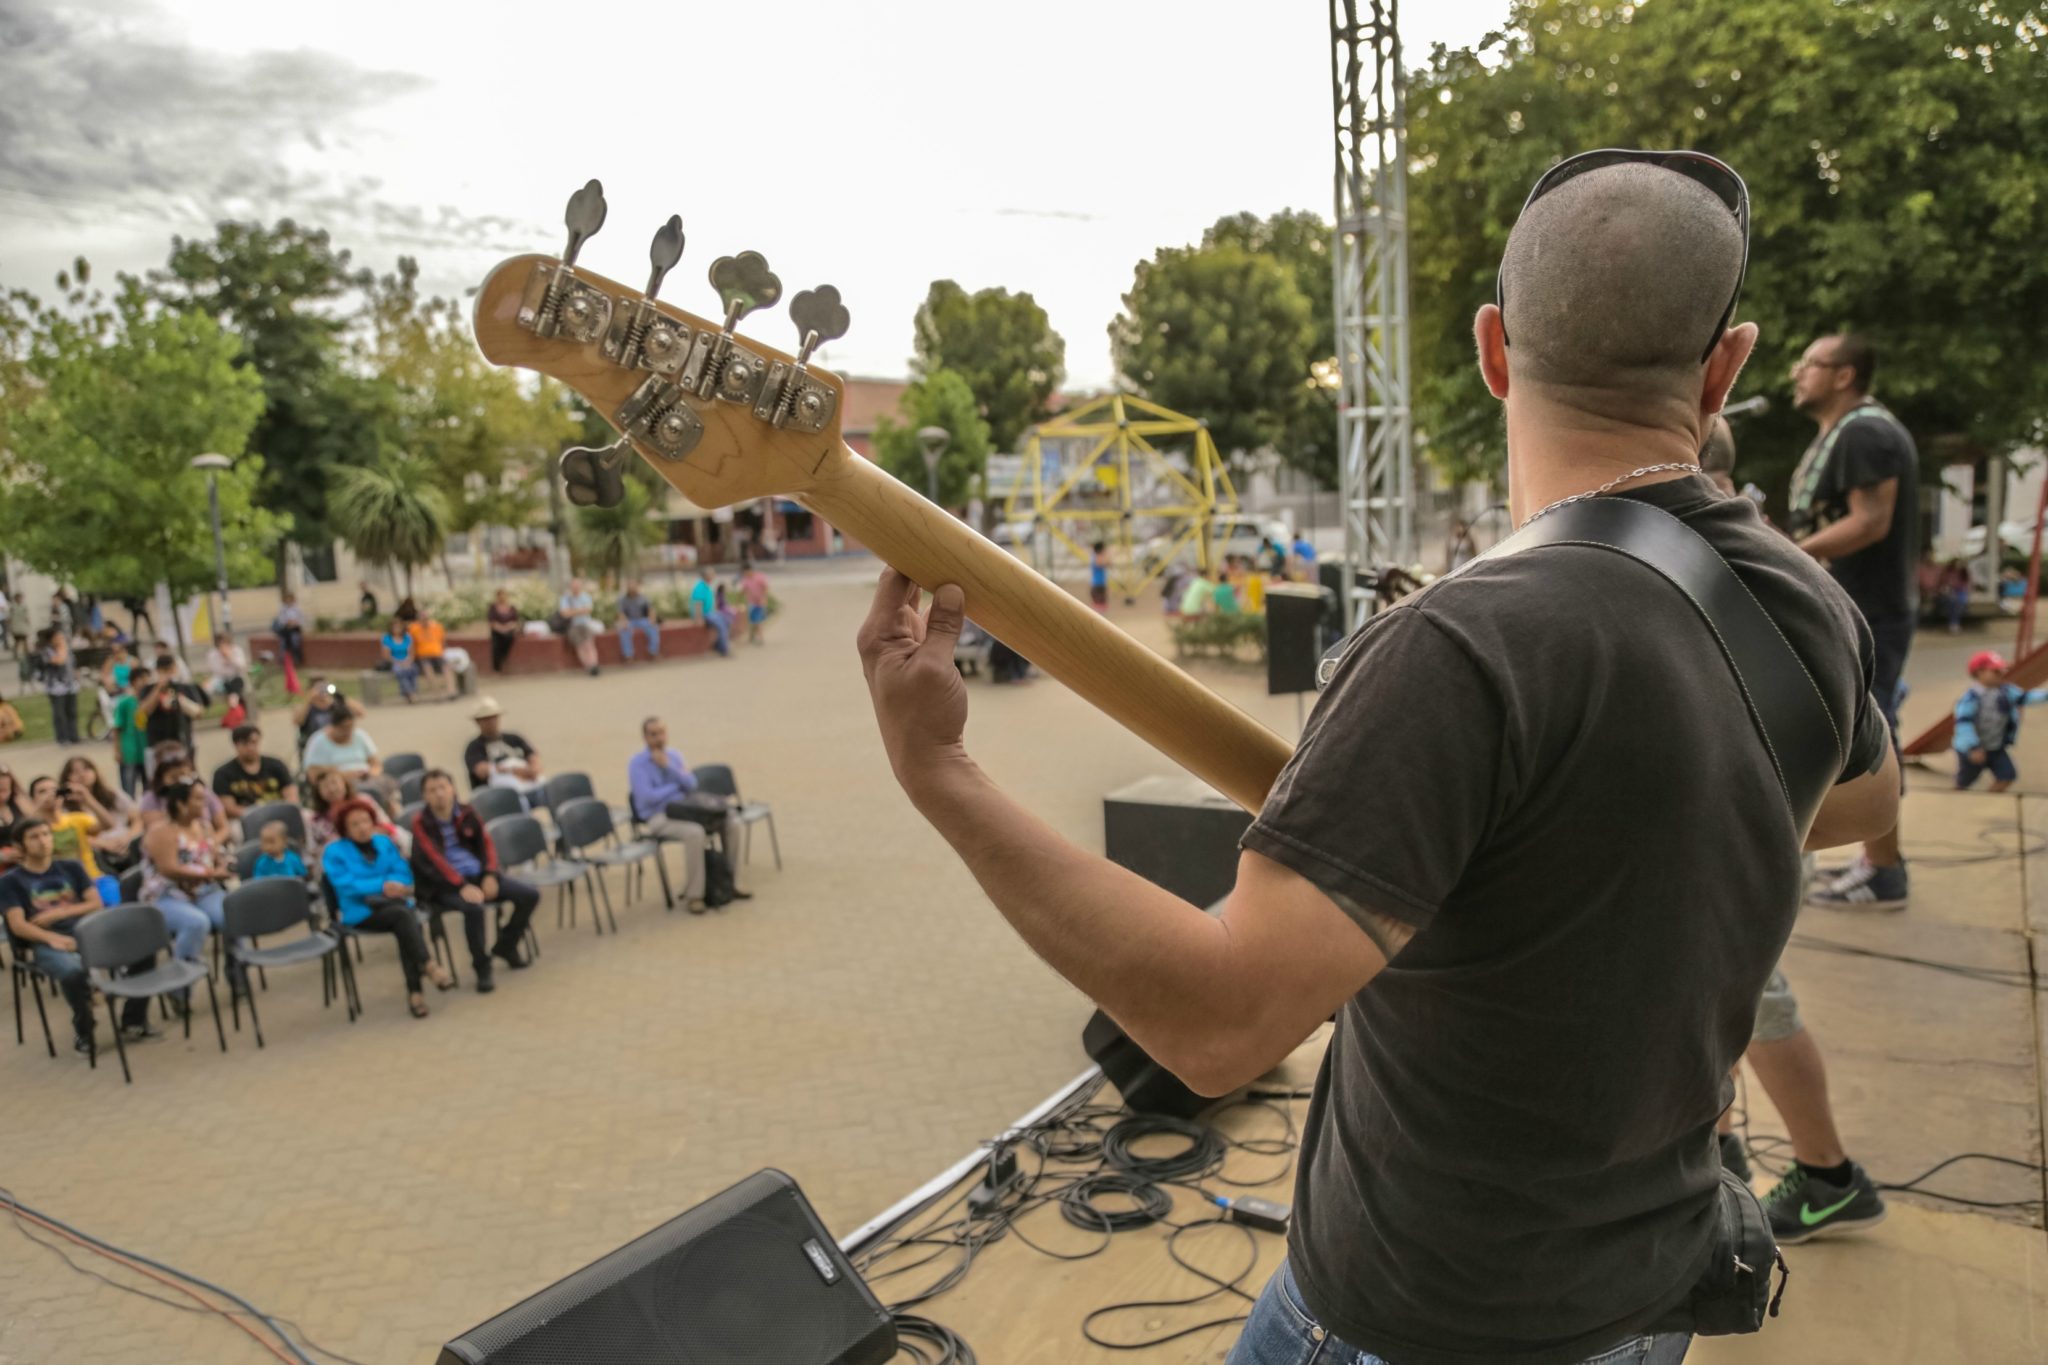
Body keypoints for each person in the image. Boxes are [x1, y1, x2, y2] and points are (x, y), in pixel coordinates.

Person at [855, 154, 1900, 1364]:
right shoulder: (1802, 603)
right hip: (1648, 1291)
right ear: (1725, 365)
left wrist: (940, 772)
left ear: (1493, 349)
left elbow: (1217, 1025)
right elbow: (1854, 802)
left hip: (1416, 1318)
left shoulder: (1457, 647)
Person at [1787, 333, 1919, 912]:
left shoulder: (1866, 432)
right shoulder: (1847, 433)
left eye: (1811, 364)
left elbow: (1870, 522)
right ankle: (1874, 861)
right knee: (1859, 728)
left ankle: (1885, 873)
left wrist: (1790, 552)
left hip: (1871, 610)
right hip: (1859, 606)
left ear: (1844, 376)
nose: (1798, 372)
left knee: (1871, 732)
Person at [0, 817, 157, 1052]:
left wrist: (60, 912)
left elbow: (95, 903)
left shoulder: (71, 866)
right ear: (20, 846)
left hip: (88, 931)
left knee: (144, 949)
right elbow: (18, 925)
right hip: (47, 942)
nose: (43, 841)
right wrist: (53, 938)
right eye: (34, 837)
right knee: (72, 972)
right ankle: (84, 1029)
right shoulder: (11, 881)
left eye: (46, 834)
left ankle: (133, 1020)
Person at [321, 797, 453, 1017]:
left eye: (365, 821)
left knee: (404, 921)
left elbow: (401, 869)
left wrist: (395, 885)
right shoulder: (334, 852)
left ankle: (416, 994)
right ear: (344, 828)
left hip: (395, 902)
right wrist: (382, 885)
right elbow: (345, 884)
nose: (362, 827)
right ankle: (428, 966)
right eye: (355, 824)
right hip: (361, 910)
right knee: (405, 917)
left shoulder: (383, 843)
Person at [409, 769, 539, 991]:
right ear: (424, 796)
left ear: (453, 789)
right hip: (443, 885)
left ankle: (506, 945)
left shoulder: (468, 813)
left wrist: (490, 875)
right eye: (432, 790)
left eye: (443, 787)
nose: (439, 794)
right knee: (474, 908)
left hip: (478, 875)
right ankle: (482, 966)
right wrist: (461, 886)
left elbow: (487, 846)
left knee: (529, 895)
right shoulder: (421, 823)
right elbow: (434, 860)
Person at [627, 716, 745, 909]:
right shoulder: (637, 764)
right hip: (659, 816)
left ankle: (730, 883)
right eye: (653, 734)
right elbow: (648, 797)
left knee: (731, 821)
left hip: (686, 809)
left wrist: (669, 768)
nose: (659, 738)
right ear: (645, 737)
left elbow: (691, 784)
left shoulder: (674, 756)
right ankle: (694, 895)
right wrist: (675, 786)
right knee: (695, 833)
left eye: (662, 733)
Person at [139, 775, 235, 974]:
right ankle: (181, 986)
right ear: (181, 804)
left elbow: (213, 855)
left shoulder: (204, 826)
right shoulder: (161, 831)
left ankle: (237, 972)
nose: (205, 803)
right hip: (167, 896)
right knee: (196, 923)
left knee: (232, 916)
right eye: (198, 798)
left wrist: (224, 865)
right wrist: (210, 873)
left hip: (205, 891)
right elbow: (169, 869)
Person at [1951, 650, 2048, 792]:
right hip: (1973, 749)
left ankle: (1986, 800)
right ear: (1979, 673)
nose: (2001, 674)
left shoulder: (2007, 692)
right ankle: (1957, 797)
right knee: (1965, 781)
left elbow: (2026, 697)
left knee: (2008, 775)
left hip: (1995, 747)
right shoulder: (1971, 698)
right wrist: (1972, 747)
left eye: (2001, 671)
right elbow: (1963, 724)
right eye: (1995, 671)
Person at [302, 711, 400, 813]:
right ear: (333, 726)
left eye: (350, 727)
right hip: (339, 782)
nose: (348, 732)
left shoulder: (360, 735)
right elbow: (313, 774)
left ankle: (392, 815)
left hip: (366, 778)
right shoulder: (318, 741)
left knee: (388, 787)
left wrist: (371, 773)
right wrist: (344, 776)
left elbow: (375, 764)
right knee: (369, 791)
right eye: (343, 728)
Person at [136, 748, 234, 845]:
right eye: (174, 778)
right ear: (180, 805)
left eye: (184, 776)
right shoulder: (152, 800)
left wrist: (210, 844)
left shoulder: (204, 823)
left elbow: (224, 827)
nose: (180, 782)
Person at [59, 756, 140, 866]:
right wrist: (104, 844)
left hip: (127, 842)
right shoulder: (64, 806)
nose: (82, 775)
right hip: (98, 852)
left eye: (86, 769)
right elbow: (71, 836)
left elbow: (138, 819)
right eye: (75, 772)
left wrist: (129, 838)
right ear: (66, 778)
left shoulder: (112, 794)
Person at [462, 699, 545, 804]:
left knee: (550, 791)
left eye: (494, 717)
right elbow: (481, 771)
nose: (491, 721)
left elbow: (533, 756)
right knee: (519, 801)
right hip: (494, 793)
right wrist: (514, 771)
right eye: (486, 719)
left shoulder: (514, 738)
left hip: (526, 784)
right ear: (477, 721)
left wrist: (533, 770)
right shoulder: (474, 747)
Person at [211, 723, 299, 820]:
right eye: (245, 743)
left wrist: (278, 812)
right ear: (236, 745)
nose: (250, 748)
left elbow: (291, 796)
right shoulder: (223, 774)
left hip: (279, 814)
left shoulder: (276, 765)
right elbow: (229, 808)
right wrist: (259, 815)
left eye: (253, 742)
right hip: (244, 819)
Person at [29, 774, 104, 879]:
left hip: (92, 877)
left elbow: (107, 825)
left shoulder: (77, 818)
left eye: (54, 789)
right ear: (32, 799)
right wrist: (38, 807)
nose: (51, 794)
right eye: (42, 792)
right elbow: (23, 843)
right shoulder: (34, 830)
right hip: (57, 883)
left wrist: (88, 798)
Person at [140, 659, 205, 776]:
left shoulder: (185, 687)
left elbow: (199, 713)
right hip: (157, 744)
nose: (167, 674)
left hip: (182, 742)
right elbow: (144, 711)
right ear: (157, 671)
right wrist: (158, 688)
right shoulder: (149, 689)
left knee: (187, 777)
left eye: (170, 670)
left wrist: (182, 701)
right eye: (163, 671)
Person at [109, 664, 153, 797]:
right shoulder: (124, 703)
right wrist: (117, 750)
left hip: (146, 751)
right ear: (133, 682)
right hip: (129, 752)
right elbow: (117, 728)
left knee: (149, 789)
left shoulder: (152, 702)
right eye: (142, 679)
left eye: (147, 679)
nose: (145, 682)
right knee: (128, 790)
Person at [293, 677, 363, 755]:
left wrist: (339, 696)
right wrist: (309, 699)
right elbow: (297, 721)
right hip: (313, 746)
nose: (322, 691)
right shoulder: (306, 707)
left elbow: (360, 713)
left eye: (325, 687)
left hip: (337, 743)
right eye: (319, 688)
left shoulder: (335, 704)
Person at [37, 628, 81, 746]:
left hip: (70, 685)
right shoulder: (46, 651)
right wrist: (63, 648)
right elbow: (59, 661)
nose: (61, 639)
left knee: (72, 712)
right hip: (56, 687)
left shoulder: (67, 650)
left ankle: (74, 736)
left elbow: (72, 664)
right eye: (58, 637)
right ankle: (62, 738)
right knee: (59, 714)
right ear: (51, 639)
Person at [559, 577, 601, 675]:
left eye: (577, 585)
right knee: (580, 646)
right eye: (573, 585)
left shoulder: (586, 597)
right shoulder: (565, 598)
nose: (575, 587)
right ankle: (589, 667)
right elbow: (564, 613)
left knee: (589, 644)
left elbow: (588, 610)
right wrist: (580, 610)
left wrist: (572, 611)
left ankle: (594, 665)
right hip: (573, 626)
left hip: (585, 624)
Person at [688, 566, 731, 657]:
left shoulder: (707, 586)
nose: (714, 575)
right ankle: (723, 649)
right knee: (721, 625)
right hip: (705, 614)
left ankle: (717, 645)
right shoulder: (700, 587)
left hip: (711, 613)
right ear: (707, 575)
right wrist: (698, 618)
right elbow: (698, 604)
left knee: (727, 620)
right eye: (712, 574)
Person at [410, 604, 451, 699]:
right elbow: (412, 645)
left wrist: (443, 652)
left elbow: (443, 642)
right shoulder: (413, 629)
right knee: (427, 668)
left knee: (446, 666)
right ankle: (437, 693)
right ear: (419, 619)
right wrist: (412, 658)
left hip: (437, 654)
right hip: (423, 656)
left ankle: (450, 692)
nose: (425, 620)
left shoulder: (437, 627)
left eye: (426, 618)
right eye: (423, 618)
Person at [615, 580, 661, 662]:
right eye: (630, 587)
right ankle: (628, 655)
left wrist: (652, 619)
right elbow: (620, 613)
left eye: (634, 587)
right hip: (629, 620)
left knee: (653, 628)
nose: (633, 589)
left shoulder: (643, 597)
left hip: (642, 619)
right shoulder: (622, 599)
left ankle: (653, 652)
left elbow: (650, 609)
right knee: (624, 630)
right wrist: (624, 622)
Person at [380, 617, 419, 704]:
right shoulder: (387, 638)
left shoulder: (407, 637)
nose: (397, 629)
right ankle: (411, 694)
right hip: (394, 662)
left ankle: (410, 693)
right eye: (395, 627)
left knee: (413, 669)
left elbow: (412, 653)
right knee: (400, 671)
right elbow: (386, 656)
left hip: (407, 660)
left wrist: (408, 661)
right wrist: (399, 662)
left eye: (399, 627)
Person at [204, 631, 249, 703]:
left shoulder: (237, 650)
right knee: (207, 688)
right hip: (220, 680)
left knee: (235, 684)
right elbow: (215, 671)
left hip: (236, 678)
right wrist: (223, 663)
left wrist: (230, 658)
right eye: (220, 644)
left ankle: (234, 706)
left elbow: (242, 667)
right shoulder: (213, 654)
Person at [487, 588, 522, 673]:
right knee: (496, 644)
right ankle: (497, 667)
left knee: (508, 637)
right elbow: (491, 622)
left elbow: (516, 621)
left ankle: (504, 658)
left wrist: (508, 626)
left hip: (509, 631)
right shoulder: (493, 607)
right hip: (497, 631)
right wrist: (500, 628)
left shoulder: (512, 607)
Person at [738, 563, 771, 645]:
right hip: (751, 602)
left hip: (760, 602)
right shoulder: (745, 579)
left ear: (750, 570)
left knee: (757, 620)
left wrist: (764, 599)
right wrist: (739, 599)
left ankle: (760, 638)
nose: (745, 574)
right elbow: (744, 590)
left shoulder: (759, 577)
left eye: (746, 572)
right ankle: (752, 637)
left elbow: (765, 588)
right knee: (752, 621)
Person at [271, 592, 306, 668]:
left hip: (295, 630)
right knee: (283, 645)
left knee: (295, 642)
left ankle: (296, 659)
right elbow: (281, 620)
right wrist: (287, 622)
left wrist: (295, 622)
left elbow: (302, 620)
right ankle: (283, 661)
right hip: (286, 630)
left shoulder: (297, 609)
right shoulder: (283, 609)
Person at [1936, 558, 1971, 633]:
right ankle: (1954, 623)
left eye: (1960, 564)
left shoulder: (1964, 573)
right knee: (1953, 600)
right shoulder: (1946, 572)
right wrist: (1946, 589)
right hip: (1949, 593)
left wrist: (1956, 588)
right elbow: (1942, 584)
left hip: (1960, 592)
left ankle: (1953, 623)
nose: (1958, 566)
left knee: (1959, 601)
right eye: (1956, 564)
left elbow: (1966, 585)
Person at [1088, 541, 1110, 612]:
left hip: (1100, 583)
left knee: (1101, 604)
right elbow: (1103, 563)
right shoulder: (1097, 557)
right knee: (1099, 606)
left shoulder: (1095, 556)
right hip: (1097, 584)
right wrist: (1107, 554)